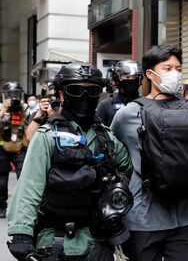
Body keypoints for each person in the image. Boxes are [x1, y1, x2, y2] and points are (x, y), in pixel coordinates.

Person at [7, 62, 133, 260]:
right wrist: (21, 234)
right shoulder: (47, 137)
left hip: (98, 242)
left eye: (92, 90)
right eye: (75, 90)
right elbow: (29, 186)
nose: (84, 97)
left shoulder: (107, 137)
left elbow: (130, 169)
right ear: (62, 94)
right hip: (56, 242)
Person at [111, 45, 188, 261]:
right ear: (150, 74)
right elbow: (114, 152)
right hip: (144, 217)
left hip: (186, 216)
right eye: (168, 68)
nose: (175, 73)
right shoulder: (127, 114)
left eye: (178, 68)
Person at [0, 81, 28, 218]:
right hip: (3, 148)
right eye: (9, 95)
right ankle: (2, 207)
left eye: (15, 94)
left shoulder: (25, 108)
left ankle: (22, 208)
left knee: (23, 179)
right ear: (3, 96)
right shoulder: (1, 109)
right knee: (1, 181)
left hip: (20, 148)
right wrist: (4, 109)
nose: (12, 97)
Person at [96, 59, 143, 126]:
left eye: (135, 77)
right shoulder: (106, 105)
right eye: (127, 77)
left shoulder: (146, 104)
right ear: (117, 79)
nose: (131, 80)